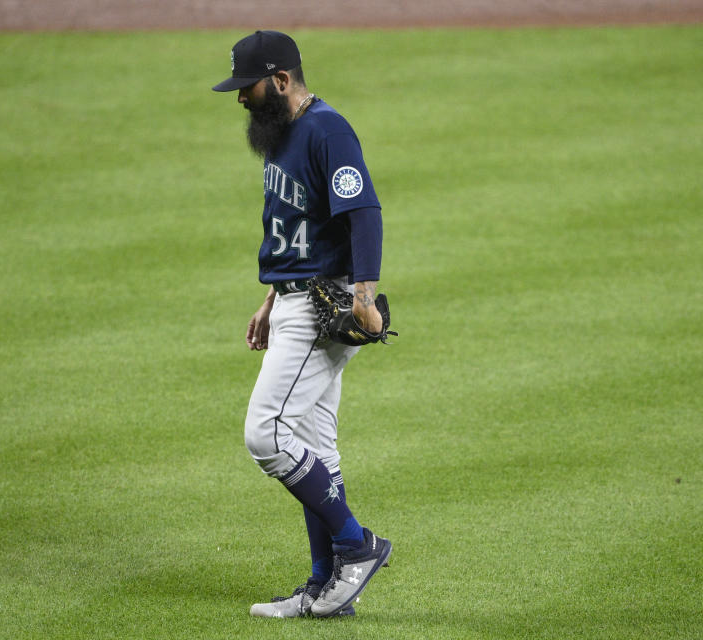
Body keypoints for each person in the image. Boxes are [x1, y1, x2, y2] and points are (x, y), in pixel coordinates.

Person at [212, 30, 393, 619]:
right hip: (292, 299)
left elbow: (362, 210)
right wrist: (270, 298)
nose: (242, 97)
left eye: (250, 86)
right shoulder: (282, 134)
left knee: (266, 434)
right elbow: (291, 225)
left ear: (283, 80)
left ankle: (354, 544)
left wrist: (364, 293)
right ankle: (323, 588)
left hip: (325, 307)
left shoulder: (327, 129)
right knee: (315, 445)